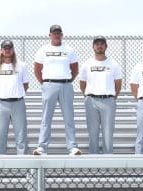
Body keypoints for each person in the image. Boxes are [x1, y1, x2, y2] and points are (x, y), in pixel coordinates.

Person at [33, 24, 81, 155]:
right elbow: (37, 69)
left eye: (58, 32)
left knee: (69, 118)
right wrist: (44, 83)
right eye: (54, 32)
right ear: (50, 35)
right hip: (49, 85)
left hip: (65, 85)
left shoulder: (69, 50)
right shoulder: (43, 50)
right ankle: (42, 147)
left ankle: (72, 147)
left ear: (62, 34)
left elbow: (75, 69)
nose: (56, 34)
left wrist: (67, 81)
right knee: (46, 118)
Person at [79, 35, 122, 154]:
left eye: (102, 44)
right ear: (93, 46)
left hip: (108, 100)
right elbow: (82, 83)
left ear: (106, 46)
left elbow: (118, 84)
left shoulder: (113, 64)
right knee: (93, 133)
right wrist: (88, 96)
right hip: (91, 100)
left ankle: (108, 160)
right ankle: (93, 161)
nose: (99, 46)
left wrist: (112, 98)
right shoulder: (87, 64)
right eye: (97, 44)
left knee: (108, 133)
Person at [0, 40, 29, 155]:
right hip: (1, 104)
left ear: (13, 49)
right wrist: (3, 94)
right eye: (5, 48)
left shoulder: (22, 65)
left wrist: (15, 94)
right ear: (1, 50)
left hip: (18, 103)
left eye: (9, 48)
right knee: (0, 134)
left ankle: (23, 162)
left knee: (21, 134)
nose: (7, 50)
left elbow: (25, 84)